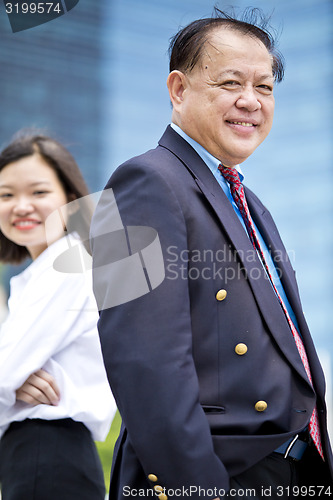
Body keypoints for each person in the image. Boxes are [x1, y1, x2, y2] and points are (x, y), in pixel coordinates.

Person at [90, 8, 333, 499]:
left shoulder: (250, 202)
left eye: (264, 88)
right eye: (230, 83)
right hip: (213, 477)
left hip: (291, 474)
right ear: (178, 90)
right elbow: (144, 366)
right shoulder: (135, 184)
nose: (251, 101)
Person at [0, 132, 116, 500]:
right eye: (6, 195)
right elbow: (8, 373)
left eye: (38, 192)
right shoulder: (40, 274)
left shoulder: (69, 263)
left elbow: (5, 370)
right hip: (43, 457)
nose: (21, 206)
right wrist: (11, 383)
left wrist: (8, 380)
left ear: (69, 199)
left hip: (47, 455)